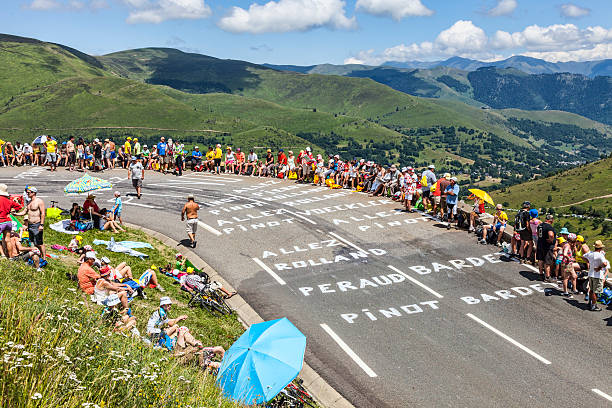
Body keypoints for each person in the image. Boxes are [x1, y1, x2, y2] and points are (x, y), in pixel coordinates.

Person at [582, 240, 609, 312]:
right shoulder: (600, 255)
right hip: (597, 275)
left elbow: (583, 257)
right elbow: (605, 264)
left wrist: (588, 261)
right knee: (596, 291)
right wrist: (599, 267)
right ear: (601, 248)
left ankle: (590, 303)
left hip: (591, 274)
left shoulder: (590, 254)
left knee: (591, 290)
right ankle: (593, 305)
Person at [21, 186, 46, 260]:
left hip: (37, 224)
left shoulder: (39, 201)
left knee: (40, 243)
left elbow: (43, 213)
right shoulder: (29, 202)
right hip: (30, 225)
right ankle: (37, 256)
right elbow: (24, 212)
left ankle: (44, 258)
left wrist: (41, 224)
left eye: (28, 192)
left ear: (33, 193)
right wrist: (15, 214)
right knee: (33, 242)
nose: (27, 194)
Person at [0, 184, 21, 258]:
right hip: (8, 221)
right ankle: (11, 257)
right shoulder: (9, 201)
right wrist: (12, 212)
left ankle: (3, 255)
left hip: (1, 221)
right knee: (7, 240)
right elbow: (19, 206)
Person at [536, 214, 556, 282]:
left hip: (540, 244)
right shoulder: (549, 227)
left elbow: (537, 234)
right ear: (551, 220)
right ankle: (547, 277)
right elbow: (551, 234)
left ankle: (541, 275)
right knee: (547, 262)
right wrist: (551, 240)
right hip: (547, 246)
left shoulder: (540, 225)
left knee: (540, 260)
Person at [560, 234, 578, 298]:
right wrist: (569, 259)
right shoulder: (567, 246)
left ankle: (574, 289)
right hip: (567, 263)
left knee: (574, 276)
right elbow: (564, 254)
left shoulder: (567, 245)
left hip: (568, 263)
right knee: (566, 278)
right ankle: (565, 292)